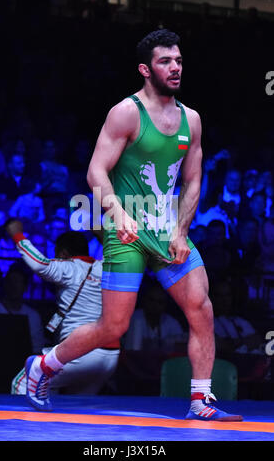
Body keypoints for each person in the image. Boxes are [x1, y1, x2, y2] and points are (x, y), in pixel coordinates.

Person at [23, 29, 242, 420]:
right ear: (145, 69)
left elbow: (192, 180)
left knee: (202, 310)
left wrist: (180, 231)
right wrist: (118, 214)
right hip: (125, 235)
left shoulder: (191, 120)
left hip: (167, 234)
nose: (174, 67)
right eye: (164, 61)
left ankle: (201, 400)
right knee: (112, 327)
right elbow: (96, 171)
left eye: (177, 60)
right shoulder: (126, 113)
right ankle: (42, 367)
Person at [6, 219, 120, 396]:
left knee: (23, 382)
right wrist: (96, 228)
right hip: (109, 357)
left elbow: (39, 263)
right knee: (78, 409)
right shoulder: (106, 268)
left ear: (63, 253)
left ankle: (24, 424)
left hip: (80, 353)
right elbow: (117, 251)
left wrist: (17, 235)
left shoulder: (69, 268)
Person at [0, 265, 45, 354]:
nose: (13, 286)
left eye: (18, 282)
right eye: (10, 281)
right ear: (4, 284)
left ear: (25, 287)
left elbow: (37, 347)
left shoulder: (33, 316)